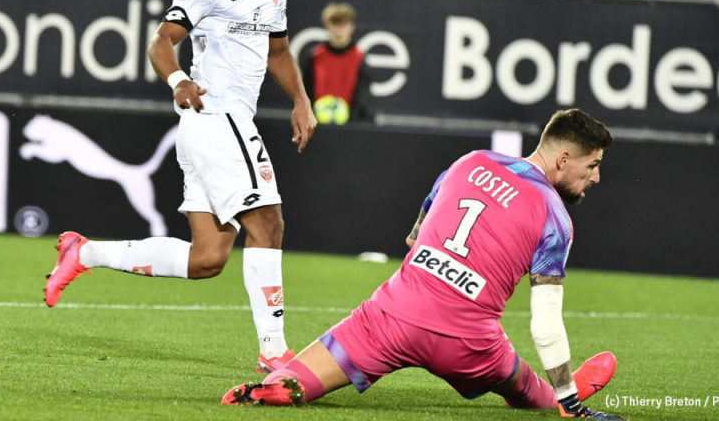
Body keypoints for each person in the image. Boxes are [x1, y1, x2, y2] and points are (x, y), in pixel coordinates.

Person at [44, 0, 317, 375]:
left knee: (208, 258)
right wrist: (178, 79)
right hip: (216, 118)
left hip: (215, 127)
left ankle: (86, 252)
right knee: (269, 223)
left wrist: (300, 100)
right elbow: (162, 41)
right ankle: (275, 352)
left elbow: (278, 52)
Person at [222, 108, 625, 421]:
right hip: (469, 343)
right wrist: (571, 406)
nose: (597, 178)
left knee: (298, 376)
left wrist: (427, 259)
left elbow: (417, 229)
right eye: (592, 166)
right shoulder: (556, 217)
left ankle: (280, 385)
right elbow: (545, 323)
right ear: (564, 159)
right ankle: (567, 394)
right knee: (527, 390)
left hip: (392, 316)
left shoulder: (471, 161)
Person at [300, 2, 372, 125]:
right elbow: (305, 93)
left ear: (351, 27)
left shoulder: (360, 58)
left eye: (343, 24)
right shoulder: (314, 56)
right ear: (327, 26)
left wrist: (349, 124)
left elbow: (362, 97)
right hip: (315, 125)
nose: (339, 30)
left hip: (351, 126)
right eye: (335, 24)